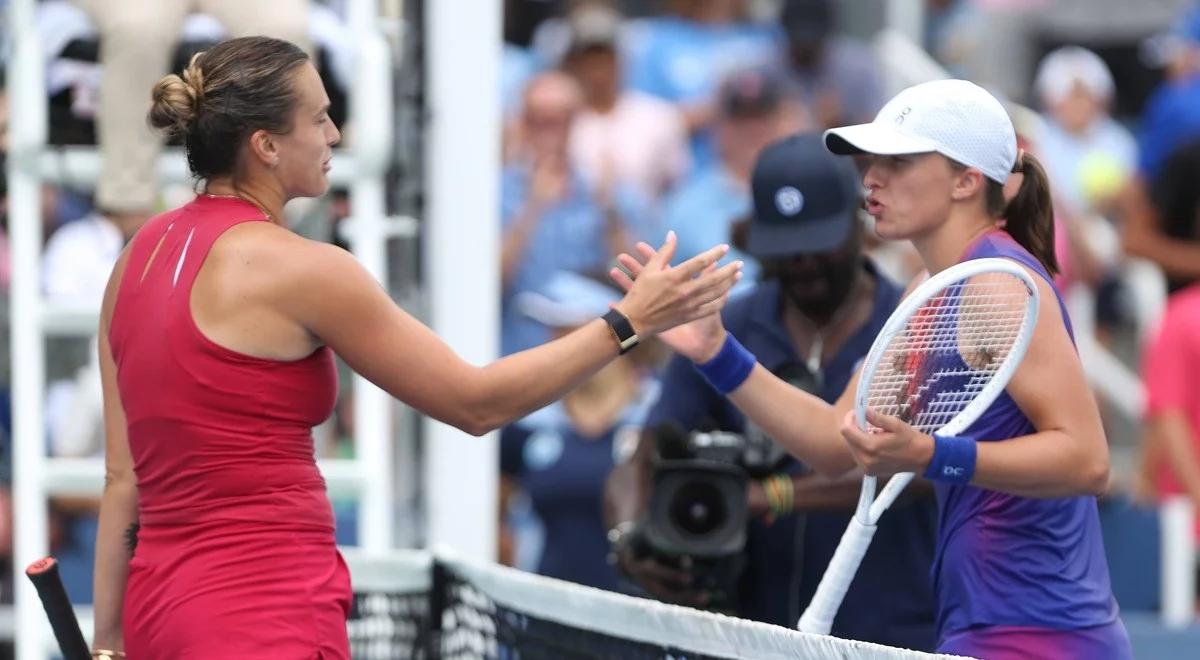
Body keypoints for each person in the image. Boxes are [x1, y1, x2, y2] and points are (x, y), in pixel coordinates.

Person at [91, 36, 742, 658]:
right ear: (264, 145)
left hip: (157, 616)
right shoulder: (305, 270)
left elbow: (123, 481)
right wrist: (627, 322)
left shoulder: (135, 261)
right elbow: (476, 403)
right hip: (262, 618)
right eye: (319, 118)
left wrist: (108, 642)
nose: (334, 135)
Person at [609, 79, 1131, 658]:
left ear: (966, 180)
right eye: (872, 159)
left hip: (1042, 634)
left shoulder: (997, 287)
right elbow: (838, 443)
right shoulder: (929, 289)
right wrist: (717, 352)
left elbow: (1088, 461)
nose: (871, 178)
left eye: (899, 161)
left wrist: (933, 456)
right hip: (980, 627)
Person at [605, 133, 937, 649]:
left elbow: (918, 471)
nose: (803, 262)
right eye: (787, 249)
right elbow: (643, 456)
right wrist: (633, 539)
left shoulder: (910, 322)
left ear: (857, 225)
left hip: (890, 630)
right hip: (750, 631)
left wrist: (766, 497)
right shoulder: (722, 328)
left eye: (817, 243)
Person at [501, 271, 663, 591]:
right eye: (553, 329)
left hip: (644, 620)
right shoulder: (526, 425)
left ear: (620, 333)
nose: (555, 343)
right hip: (544, 620)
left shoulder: (664, 415)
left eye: (570, 329)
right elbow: (497, 516)